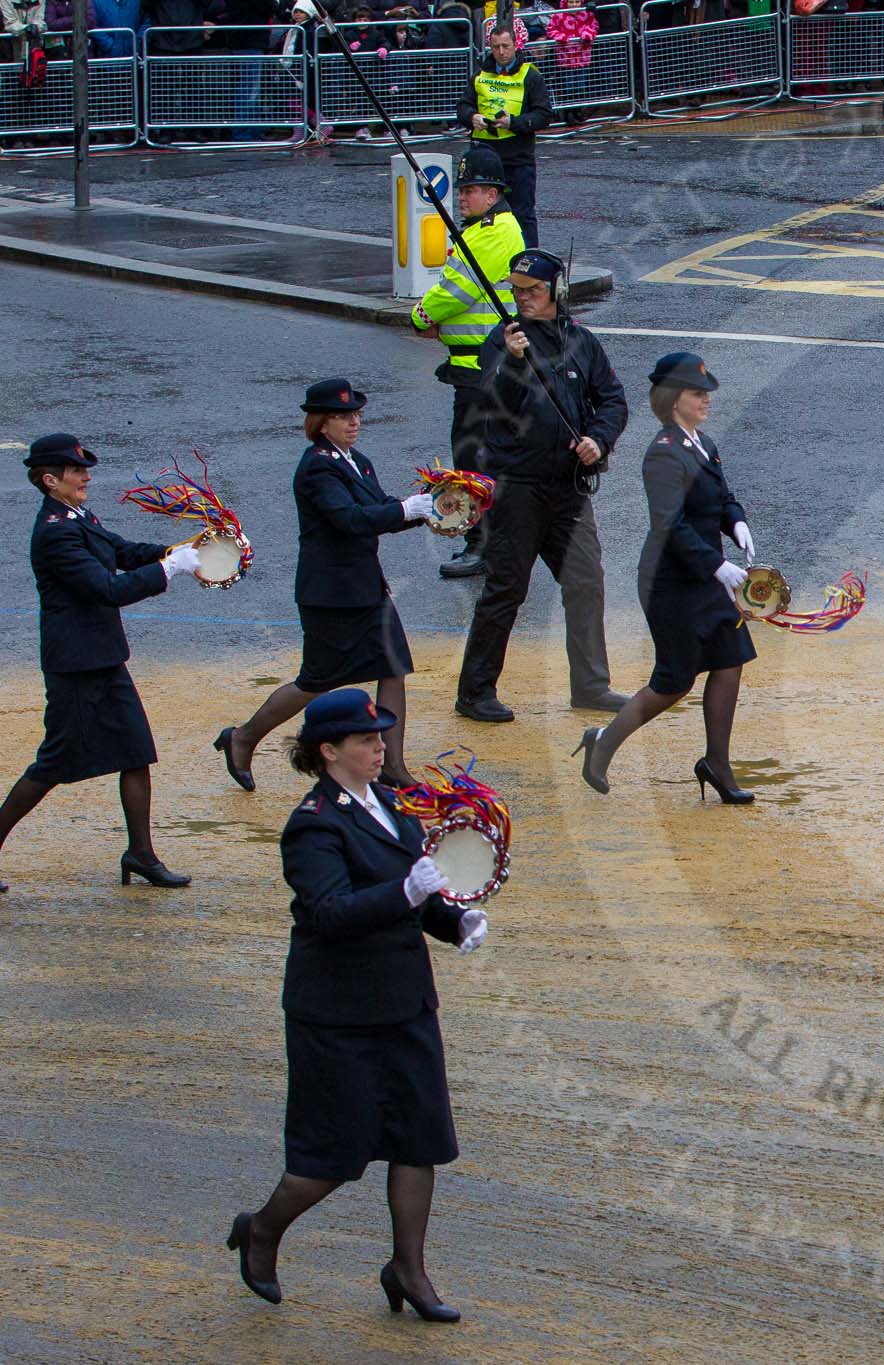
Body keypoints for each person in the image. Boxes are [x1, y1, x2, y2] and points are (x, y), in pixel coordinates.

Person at [225, 689, 487, 1318]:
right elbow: (328, 913)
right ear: (330, 750)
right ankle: (261, 1229)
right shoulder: (313, 823)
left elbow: (418, 896)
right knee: (331, 1157)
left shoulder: (394, 805)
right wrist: (404, 892)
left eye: (379, 739)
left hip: (402, 1000)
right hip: (336, 1014)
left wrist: (454, 924)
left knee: (417, 1139)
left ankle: (409, 1270)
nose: (380, 748)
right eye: (368, 741)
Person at [0, 435, 204, 893]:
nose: (86, 475)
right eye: (76, 471)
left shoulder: (75, 516)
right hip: (76, 667)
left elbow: (120, 550)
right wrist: (172, 570)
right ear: (51, 480)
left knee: (136, 751)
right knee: (52, 765)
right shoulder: (54, 533)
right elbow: (107, 588)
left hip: (103, 658)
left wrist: (178, 550)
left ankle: (141, 853)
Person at [214, 380, 438, 794]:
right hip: (331, 594)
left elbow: (377, 508)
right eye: (342, 416)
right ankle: (243, 737)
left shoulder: (358, 461)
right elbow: (350, 519)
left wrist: (428, 509)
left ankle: (392, 766)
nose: (353, 422)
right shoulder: (317, 466)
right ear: (321, 423)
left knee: (393, 671)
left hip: (368, 588)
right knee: (315, 681)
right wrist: (405, 509)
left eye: (356, 415)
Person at [572, 352, 757, 802]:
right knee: (674, 681)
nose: (706, 400)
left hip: (704, 580)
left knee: (730, 660)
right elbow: (668, 525)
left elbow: (722, 494)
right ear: (675, 401)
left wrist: (736, 522)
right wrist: (719, 565)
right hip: (670, 584)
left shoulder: (703, 443)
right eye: (698, 394)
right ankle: (604, 742)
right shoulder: (663, 454)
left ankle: (716, 762)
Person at [453, 246, 627, 723]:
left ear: (557, 292)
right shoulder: (504, 339)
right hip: (517, 487)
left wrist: (599, 440)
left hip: (568, 487)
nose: (522, 298)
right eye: (515, 290)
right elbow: (491, 403)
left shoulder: (583, 342)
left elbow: (612, 400)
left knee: (585, 581)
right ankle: (475, 691)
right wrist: (511, 363)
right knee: (507, 587)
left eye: (531, 290)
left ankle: (591, 685)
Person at [411, 145, 525, 580]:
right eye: (462, 189)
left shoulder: (495, 232)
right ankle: (486, 540)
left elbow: (457, 290)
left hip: (486, 368)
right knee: (473, 455)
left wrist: (421, 315)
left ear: (493, 194)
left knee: (477, 460)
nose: (462, 197)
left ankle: (482, 544)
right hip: (471, 365)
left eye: (472, 189)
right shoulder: (480, 230)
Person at [457, 21, 552, 248]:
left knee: (522, 214)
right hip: (484, 158)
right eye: (496, 46)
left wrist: (514, 122)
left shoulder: (530, 76)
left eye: (505, 46)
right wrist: (473, 117)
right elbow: (462, 107)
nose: (500, 52)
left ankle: (528, 266)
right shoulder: (479, 74)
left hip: (517, 157)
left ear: (516, 45)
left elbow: (544, 115)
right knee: (480, 214)